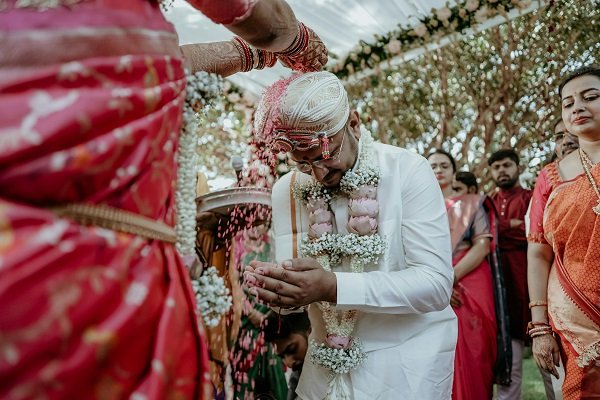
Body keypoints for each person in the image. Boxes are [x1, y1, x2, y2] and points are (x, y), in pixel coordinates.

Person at [0, 1, 326, 398]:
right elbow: (258, 16)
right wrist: (298, 43)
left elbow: (133, 65)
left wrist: (249, 54)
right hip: (110, 288)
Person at [244, 71, 457, 399]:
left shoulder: (407, 171)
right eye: (303, 164)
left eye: (324, 155)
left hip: (404, 371)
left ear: (354, 123)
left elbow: (435, 286)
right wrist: (277, 291)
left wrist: (333, 286)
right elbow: (296, 294)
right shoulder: (288, 189)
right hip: (324, 377)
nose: (319, 173)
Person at [527, 65, 600, 399]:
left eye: (591, 97)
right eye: (568, 103)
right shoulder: (551, 177)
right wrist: (539, 327)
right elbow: (538, 251)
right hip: (573, 318)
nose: (577, 107)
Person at [428, 149, 511, 400]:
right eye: (433, 166)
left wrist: (449, 279)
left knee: (475, 351)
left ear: (454, 171)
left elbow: (483, 245)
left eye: (444, 165)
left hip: (470, 279)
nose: (439, 170)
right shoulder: (418, 206)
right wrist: (437, 284)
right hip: (431, 284)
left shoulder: (473, 202)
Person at [487, 149, 533, 400]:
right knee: (501, 356)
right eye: (496, 167)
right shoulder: (489, 200)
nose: (502, 170)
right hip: (495, 286)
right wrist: (509, 226)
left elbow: (532, 232)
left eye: (507, 165)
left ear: (518, 167)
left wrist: (499, 230)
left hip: (526, 284)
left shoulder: (531, 197)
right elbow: (484, 234)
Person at [263, 311, 311, 400]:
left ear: (310, 330)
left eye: (292, 349)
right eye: (282, 357)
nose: (288, 363)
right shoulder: (298, 376)